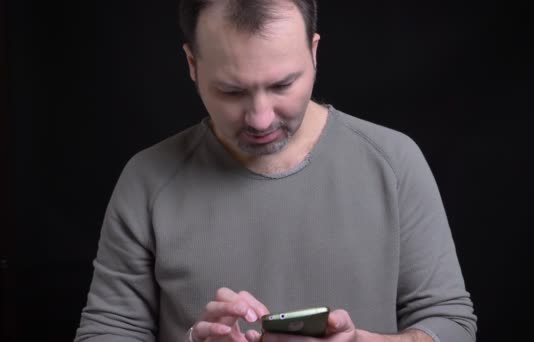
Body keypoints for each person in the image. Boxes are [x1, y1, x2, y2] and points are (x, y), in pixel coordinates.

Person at [74, 1, 477, 341]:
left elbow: (452, 322)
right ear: (192, 64)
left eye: (283, 85)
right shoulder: (147, 180)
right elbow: (106, 331)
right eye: (232, 91)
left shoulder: (393, 161)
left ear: (314, 53)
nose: (261, 118)